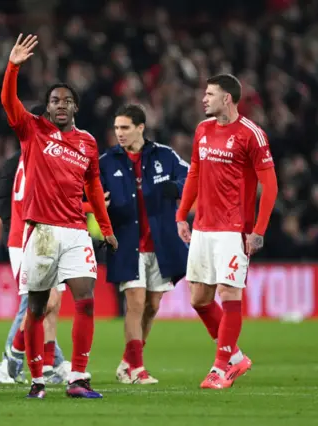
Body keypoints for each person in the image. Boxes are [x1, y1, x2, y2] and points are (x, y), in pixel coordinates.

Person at [1, 34, 118, 399]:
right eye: (55, 100)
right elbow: (8, 101)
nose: (61, 105)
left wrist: (107, 230)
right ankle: (36, 379)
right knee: (37, 308)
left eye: (67, 100)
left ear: (76, 108)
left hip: (75, 233)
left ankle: (78, 378)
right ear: (48, 108)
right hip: (42, 233)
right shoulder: (32, 130)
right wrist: (13, 66)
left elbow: (95, 188)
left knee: (85, 299)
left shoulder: (88, 143)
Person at [176, 74, 278, 389]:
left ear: (227, 99)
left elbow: (270, 185)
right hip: (203, 226)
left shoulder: (252, 134)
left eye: (210, 94)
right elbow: (194, 172)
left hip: (234, 229)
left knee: (229, 293)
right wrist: (182, 214)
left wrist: (258, 230)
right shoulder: (202, 130)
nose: (203, 99)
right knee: (199, 298)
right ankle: (235, 356)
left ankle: (221, 368)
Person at [99, 104, 189, 385]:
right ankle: (138, 370)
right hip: (126, 243)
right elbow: (86, 192)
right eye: (116, 128)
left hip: (159, 244)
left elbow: (192, 176)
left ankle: (128, 362)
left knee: (152, 304)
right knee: (135, 302)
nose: (119, 133)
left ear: (141, 128)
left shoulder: (164, 155)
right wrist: (95, 204)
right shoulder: (106, 161)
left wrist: (177, 187)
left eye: (125, 128)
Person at [0, 139, 72, 385]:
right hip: (31, 237)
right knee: (39, 302)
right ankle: (11, 361)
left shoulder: (27, 158)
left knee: (52, 302)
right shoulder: (40, 159)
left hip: (43, 236)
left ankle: (49, 364)